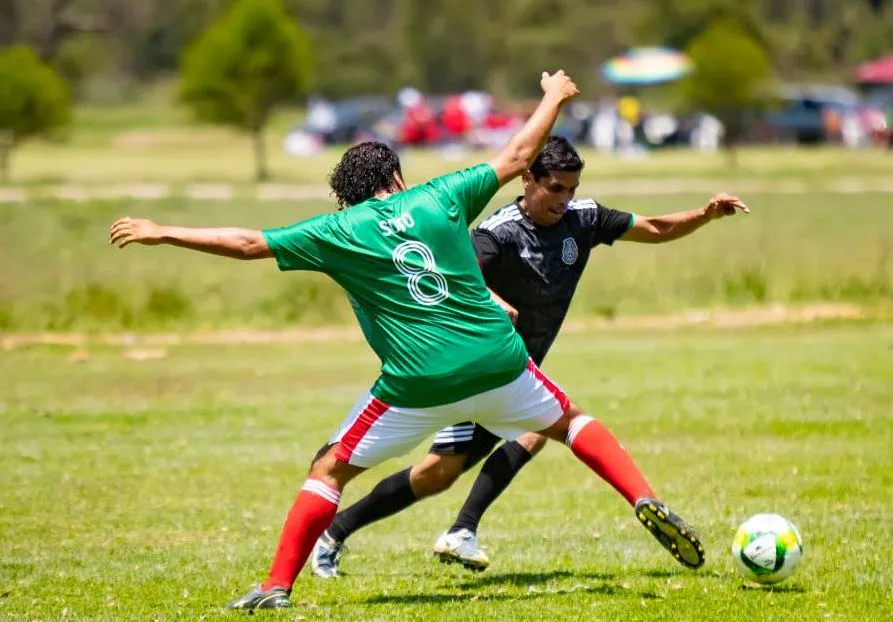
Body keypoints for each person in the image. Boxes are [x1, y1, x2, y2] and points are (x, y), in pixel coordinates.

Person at [107, 71, 710, 612]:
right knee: (571, 422)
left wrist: (163, 231)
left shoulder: (336, 229)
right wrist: (553, 95)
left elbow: (246, 244)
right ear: (397, 176)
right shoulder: (441, 195)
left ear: (348, 195)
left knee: (331, 467)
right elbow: (520, 152)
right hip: (498, 362)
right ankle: (642, 499)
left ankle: (276, 586)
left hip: (416, 383)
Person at [309, 136, 750, 577]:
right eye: (555, 188)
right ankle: (443, 530)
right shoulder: (496, 233)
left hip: (512, 372)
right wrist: (488, 299)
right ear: (527, 180)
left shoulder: (585, 218)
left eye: (572, 189)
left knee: (438, 474)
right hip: (479, 365)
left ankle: (347, 532)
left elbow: (655, 227)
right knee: (526, 435)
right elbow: (444, 272)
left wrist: (704, 215)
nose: (565, 199)